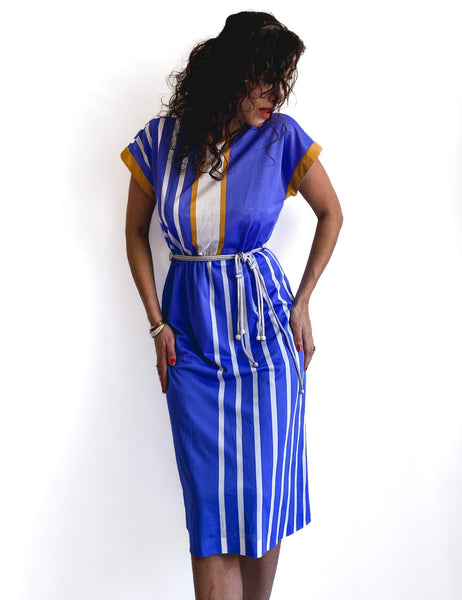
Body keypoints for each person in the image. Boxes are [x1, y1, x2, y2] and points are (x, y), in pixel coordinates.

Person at [121, 10, 343, 600]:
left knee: (264, 500)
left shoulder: (282, 137)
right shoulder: (161, 142)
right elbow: (135, 233)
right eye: (265, 77)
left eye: (283, 79)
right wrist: (156, 324)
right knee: (211, 515)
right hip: (192, 344)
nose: (276, 93)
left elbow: (332, 213)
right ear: (228, 72)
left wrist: (303, 300)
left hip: (266, 343)